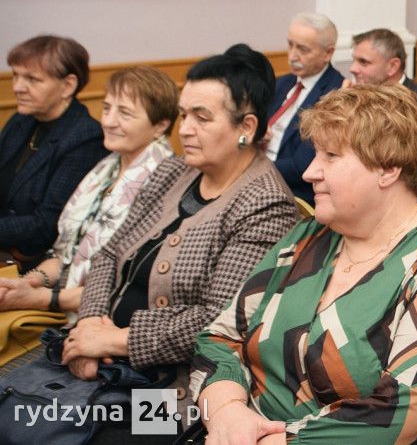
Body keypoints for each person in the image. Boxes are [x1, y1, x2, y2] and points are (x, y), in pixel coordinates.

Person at [192, 86, 417, 443]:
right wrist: (227, 411)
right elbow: (218, 337)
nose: (309, 172)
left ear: (388, 169)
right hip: (229, 431)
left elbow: (399, 418)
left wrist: (261, 440)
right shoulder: (312, 235)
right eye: (315, 154)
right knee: (142, 422)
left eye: (331, 155)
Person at [60, 45, 297, 432]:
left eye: (202, 118)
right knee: (23, 413)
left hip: (177, 392)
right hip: (105, 360)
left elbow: (217, 320)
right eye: (184, 114)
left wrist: (115, 341)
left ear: (246, 127)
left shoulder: (265, 205)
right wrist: (88, 329)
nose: (184, 129)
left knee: (82, 431)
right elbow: (109, 254)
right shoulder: (173, 172)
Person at [0, 67, 177, 323]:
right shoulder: (105, 167)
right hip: (61, 302)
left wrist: (40, 298)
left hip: (105, 322)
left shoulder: (166, 181)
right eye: (106, 108)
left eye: (124, 113)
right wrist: (28, 283)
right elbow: (63, 256)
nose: (108, 121)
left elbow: (129, 289)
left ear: (160, 125)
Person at [0, 36, 106, 266]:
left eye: (32, 79)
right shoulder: (21, 120)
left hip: (33, 262)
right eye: (16, 75)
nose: (17, 87)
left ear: (68, 85)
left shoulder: (85, 137)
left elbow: (46, 225)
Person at [265, 12, 344, 204]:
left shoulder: (336, 95)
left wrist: (248, 168)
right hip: (260, 176)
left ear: (328, 53)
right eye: (290, 45)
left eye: (303, 49)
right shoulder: (281, 83)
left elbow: (301, 165)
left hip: (291, 193)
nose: (292, 56)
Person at [348, 28, 417, 141]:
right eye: (354, 60)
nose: (352, 69)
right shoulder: (363, 94)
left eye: (363, 62)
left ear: (393, 66)